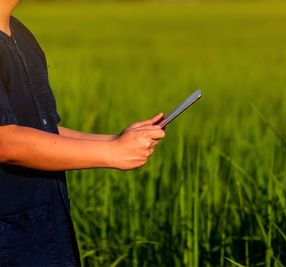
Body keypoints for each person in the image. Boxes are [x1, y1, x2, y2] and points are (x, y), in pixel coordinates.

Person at [0, 0, 166, 266]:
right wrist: (111, 153)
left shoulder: (21, 35)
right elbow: (5, 141)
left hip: (45, 230)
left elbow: (42, 130)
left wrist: (115, 139)